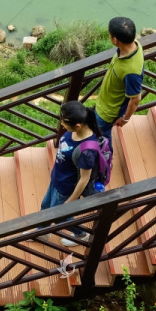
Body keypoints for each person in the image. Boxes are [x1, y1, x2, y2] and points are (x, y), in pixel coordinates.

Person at [32, 100, 103, 247]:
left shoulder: (87, 151)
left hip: (66, 187)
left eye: (64, 123)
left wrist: (70, 202)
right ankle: (42, 232)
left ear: (77, 125)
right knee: (45, 206)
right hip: (57, 179)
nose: (62, 125)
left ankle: (80, 234)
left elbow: (84, 179)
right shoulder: (75, 131)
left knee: (60, 217)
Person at [94, 17, 144, 148]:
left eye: (109, 34)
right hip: (104, 102)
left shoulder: (131, 71)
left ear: (115, 40)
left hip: (108, 112)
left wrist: (125, 119)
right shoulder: (135, 45)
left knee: (101, 137)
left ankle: (105, 161)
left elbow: (136, 99)